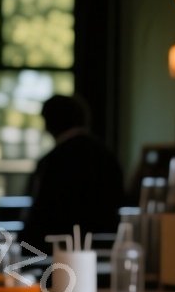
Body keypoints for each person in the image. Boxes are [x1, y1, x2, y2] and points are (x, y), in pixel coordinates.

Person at [23, 95, 125, 250]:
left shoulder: (52, 161)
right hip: (103, 247)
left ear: (51, 122)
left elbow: (40, 214)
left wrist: (25, 247)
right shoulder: (107, 157)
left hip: (55, 249)